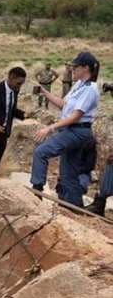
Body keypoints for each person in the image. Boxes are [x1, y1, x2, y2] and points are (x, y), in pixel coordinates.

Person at [31, 52, 100, 208]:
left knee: (41, 152)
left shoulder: (90, 88)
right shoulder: (79, 85)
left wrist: (50, 127)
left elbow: (76, 115)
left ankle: (37, 192)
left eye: (75, 67)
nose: (72, 69)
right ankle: (74, 208)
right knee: (69, 176)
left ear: (86, 68)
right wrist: (45, 93)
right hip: (72, 131)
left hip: (77, 131)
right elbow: (64, 104)